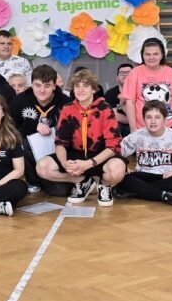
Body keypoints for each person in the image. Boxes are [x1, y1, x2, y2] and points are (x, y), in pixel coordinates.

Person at [39, 69, 126, 205]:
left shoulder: (105, 109)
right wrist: (64, 163)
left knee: (117, 169)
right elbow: (60, 142)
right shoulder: (67, 109)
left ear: (93, 89)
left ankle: (104, 185)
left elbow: (113, 146)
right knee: (42, 167)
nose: (81, 90)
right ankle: (83, 182)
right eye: (77, 86)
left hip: (99, 155)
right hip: (76, 154)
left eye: (86, 85)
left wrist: (89, 163)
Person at [121, 38, 172, 150]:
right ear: (142, 55)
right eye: (147, 54)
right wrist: (133, 129)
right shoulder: (135, 73)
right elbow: (129, 102)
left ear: (162, 55)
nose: (151, 57)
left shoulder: (170, 72)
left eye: (155, 54)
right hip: (148, 123)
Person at [116, 101, 172, 206]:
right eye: (149, 117)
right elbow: (116, 150)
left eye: (157, 117)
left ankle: (136, 191)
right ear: (143, 119)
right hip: (143, 175)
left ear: (164, 119)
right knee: (124, 179)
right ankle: (164, 196)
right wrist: (123, 166)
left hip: (165, 177)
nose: (153, 121)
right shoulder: (138, 135)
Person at [9, 64, 70, 191]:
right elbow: (10, 126)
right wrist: (33, 125)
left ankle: (56, 179)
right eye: (37, 85)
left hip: (57, 149)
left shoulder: (65, 102)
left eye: (47, 86)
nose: (42, 90)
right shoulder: (20, 100)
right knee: (21, 142)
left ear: (54, 86)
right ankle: (33, 181)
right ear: (31, 85)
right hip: (29, 150)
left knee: (60, 191)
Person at [103, 62, 133, 134]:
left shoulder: (140, 92)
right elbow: (114, 114)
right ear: (117, 78)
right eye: (122, 73)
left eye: (128, 73)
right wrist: (132, 121)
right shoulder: (110, 93)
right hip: (119, 125)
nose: (125, 75)